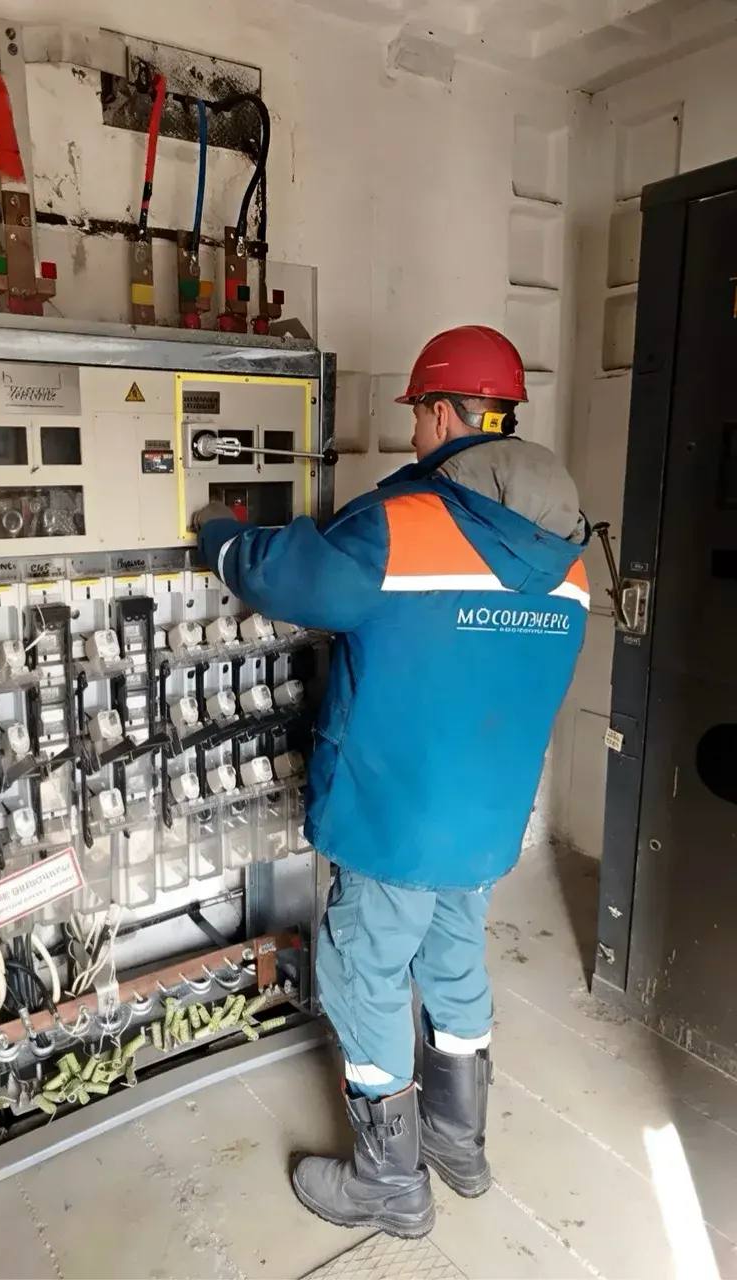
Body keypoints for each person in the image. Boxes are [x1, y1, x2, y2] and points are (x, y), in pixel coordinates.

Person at [193, 325, 589, 1239]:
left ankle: (388, 1182)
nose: (414, 433)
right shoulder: (566, 551)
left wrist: (220, 536)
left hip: (397, 816)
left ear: (445, 413)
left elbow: (290, 577)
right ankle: (459, 1144)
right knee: (452, 961)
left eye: (418, 414)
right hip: (488, 820)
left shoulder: (402, 526)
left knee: (363, 971)